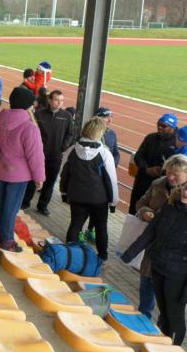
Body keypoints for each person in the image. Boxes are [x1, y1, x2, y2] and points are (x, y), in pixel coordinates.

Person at [122, 184, 187, 345]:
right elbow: (151, 231)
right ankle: (162, 343)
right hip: (158, 266)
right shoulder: (170, 205)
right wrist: (130, 253)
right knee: (163, 310)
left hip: (178, 274)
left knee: (174, 313)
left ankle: (173, 348)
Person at [134, 154, 187, 318]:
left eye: (176, 174)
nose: (170, 177)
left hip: (175, 262)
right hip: (152, 251)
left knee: (169, 307)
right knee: (146, 293)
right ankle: (143, 322)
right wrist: (145, 212)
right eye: (168, 172)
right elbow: (141, 203)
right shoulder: (157, 184)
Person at [0, 87, 45, 252]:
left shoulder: (2, 120)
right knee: (11, 208)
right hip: (19, 175)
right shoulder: (30, 127)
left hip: (3, 170)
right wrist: (39, 177)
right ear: (27, 105)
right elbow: (35, 156)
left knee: (2, 204)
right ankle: (8, 241)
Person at [60, 117, 119, 262]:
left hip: (76, 196)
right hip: (99, 199)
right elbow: (111, 180)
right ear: (100, 133)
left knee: (75, 224)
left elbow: (64, 173)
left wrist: (64, 192)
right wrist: (113, 202)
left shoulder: (72, 150)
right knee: (101, 228)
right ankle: (102, 257)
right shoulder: (105, 153)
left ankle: (69, 254)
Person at [22, 89, 75, 215]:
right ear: (49, 100)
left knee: (50, 182)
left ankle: (42, 206)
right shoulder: (39, 114)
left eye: (61, 100)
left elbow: (70, 133)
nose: (59, 103)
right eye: (57, 100)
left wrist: (63, 147)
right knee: (32, 180)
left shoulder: (67, 116)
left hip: (55, 156)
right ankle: (25, 203)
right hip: (38, 155)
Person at [81, 106, 121, 243]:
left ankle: (90, 229)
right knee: (85, 207)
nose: (110, 120)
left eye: (111, 117)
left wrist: (112, 163)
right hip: (91, 177)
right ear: (97, 118)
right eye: (106, 117)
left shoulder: (112, 134)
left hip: (104, 178)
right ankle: (79, 230)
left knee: (98, 208)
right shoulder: (89, 132)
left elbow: (116, 153)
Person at [129, 113, 179, 214]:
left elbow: (177, 167)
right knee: (134, 208)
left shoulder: (177, 144)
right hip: (142, 180)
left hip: (161, 186)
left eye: (164, 126)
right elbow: (138, 156)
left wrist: (162, 171)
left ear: (173, 128)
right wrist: (147, 169)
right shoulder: (150, 138)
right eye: (158, 124)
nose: (160, 127)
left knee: (154, 213)